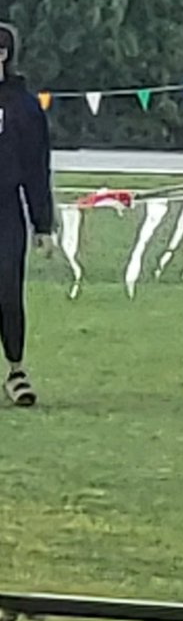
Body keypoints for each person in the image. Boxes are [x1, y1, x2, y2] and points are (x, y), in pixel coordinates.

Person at [0, 21, 53, 407]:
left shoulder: (24, 107)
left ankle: (16, 370)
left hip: (6, 211)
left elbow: (37, 167)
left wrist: (42, 224)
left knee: (7, 291)